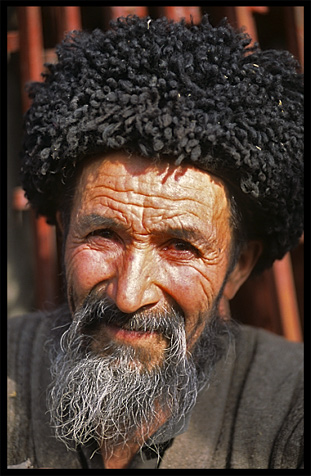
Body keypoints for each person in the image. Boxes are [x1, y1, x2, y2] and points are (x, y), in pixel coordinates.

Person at [8, 15, 304, 469]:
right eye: (104, 235)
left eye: (180, 248)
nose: (129, 295)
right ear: (66, 231)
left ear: (239, 266)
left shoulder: (291, 408)